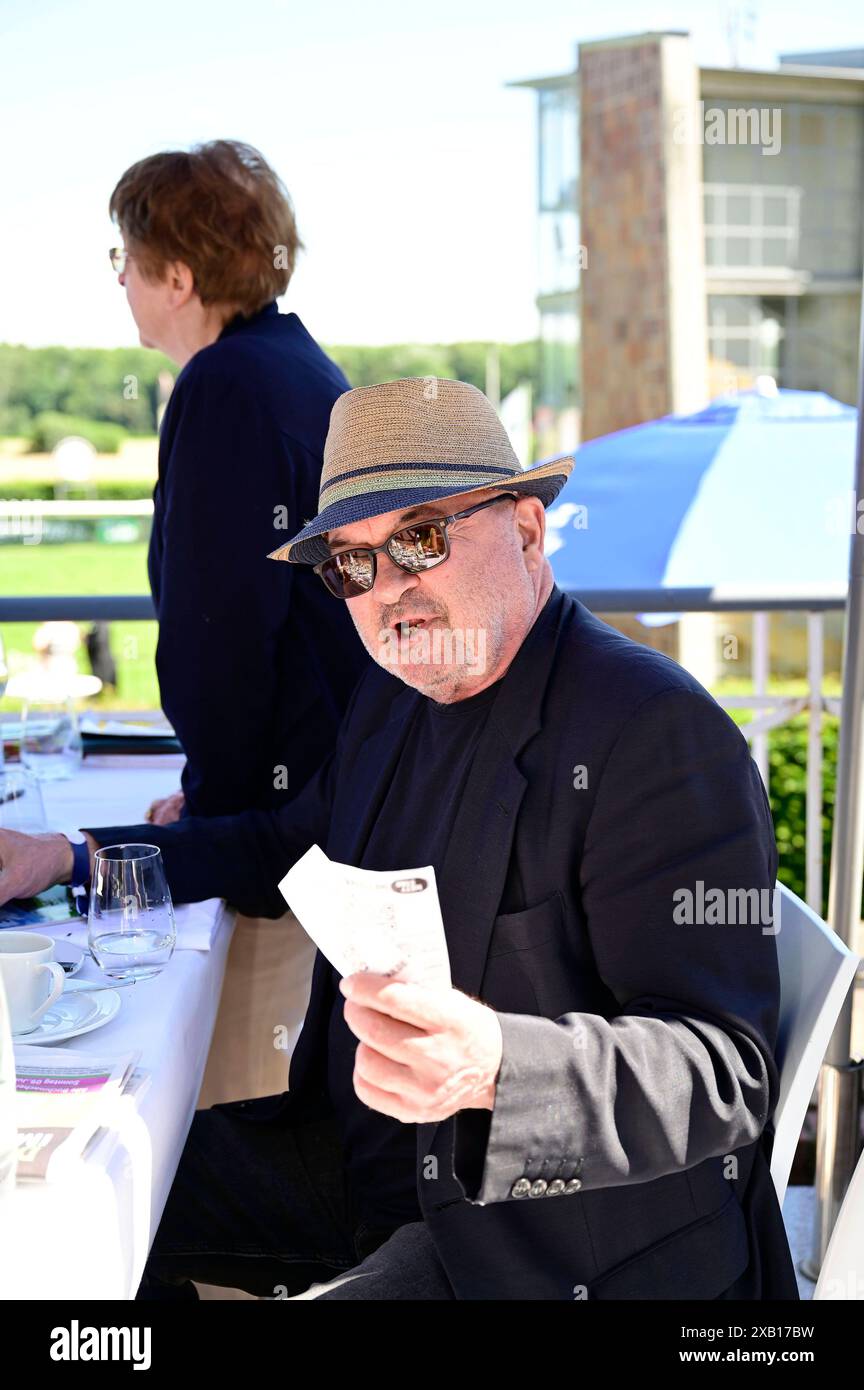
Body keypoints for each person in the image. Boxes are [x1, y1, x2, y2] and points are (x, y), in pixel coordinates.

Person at [0, 377, 800, 1301]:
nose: (387, 592)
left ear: (529, 532)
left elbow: (728, 1073)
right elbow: (286, 847)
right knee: (84, 1199)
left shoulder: (651, 730)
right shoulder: (392, 697)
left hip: (542, 1238)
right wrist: (65, 856)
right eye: (351, 564)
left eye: (418, 539)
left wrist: (498, 1064)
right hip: (353, 1162)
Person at [108, 138, 368, 824]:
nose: (119, 280)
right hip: (328, 790)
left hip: (283, 834)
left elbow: (220, 635)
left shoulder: (227, 386)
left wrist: (210, 817)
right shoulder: (298, 365)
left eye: (126, 259)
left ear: (178, 279)